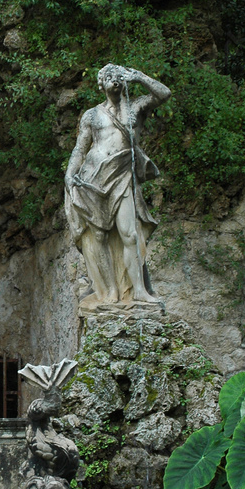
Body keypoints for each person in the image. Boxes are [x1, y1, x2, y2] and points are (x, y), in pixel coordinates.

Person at [64, 64, 171, 310]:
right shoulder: (92, 115)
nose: (115, 80)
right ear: (101, 84)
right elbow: (80, 148)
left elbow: (164, 94)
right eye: (109, 77)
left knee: (129, 234)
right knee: (98, 236)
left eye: (119, 77)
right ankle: (110, 289)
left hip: (122, 175)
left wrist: (139, 77)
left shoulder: (135, 107)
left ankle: (139, 291)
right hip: (93, 178)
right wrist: (70, 174)